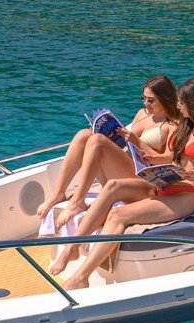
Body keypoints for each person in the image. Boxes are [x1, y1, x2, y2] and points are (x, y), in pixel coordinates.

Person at [57, 77, 194, 290]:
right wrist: (149, 156)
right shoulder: (185, 126)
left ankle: (82, 276)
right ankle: (72, 247)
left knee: (119, 215)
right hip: (162, 182)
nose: (178, 105)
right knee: (112, 187)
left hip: (185, 194)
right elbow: (170, 157)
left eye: (182, 102)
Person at [37, 76, 181, 237]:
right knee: (84, 135)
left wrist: (138, 143)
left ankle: (77, 202)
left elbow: (171, 160)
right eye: (143, 98)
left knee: (97, 141)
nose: (146, 104)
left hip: (145, 182)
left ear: (165, 98)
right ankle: (58, 193)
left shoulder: (173, 124)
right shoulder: (142, 114)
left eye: (151, 100)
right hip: (126, 168)